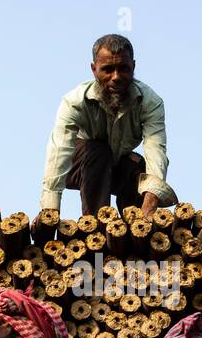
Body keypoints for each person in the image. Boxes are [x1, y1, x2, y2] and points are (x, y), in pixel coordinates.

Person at [38, 33, 176, 221]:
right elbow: (58, 157)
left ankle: (135, 231)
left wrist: (151, 203)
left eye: (123, 69)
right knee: (99, 152)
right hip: (78, 164)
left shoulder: (150, 103)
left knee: (138, 168)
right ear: (94, 69)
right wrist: (49, 214)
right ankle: (97, 228)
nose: (116, 77)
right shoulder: (74, 102)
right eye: (108, 70)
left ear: (133, 67)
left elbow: (156, 152)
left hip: (114, 163)